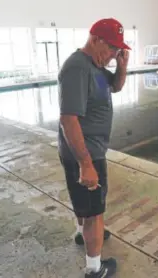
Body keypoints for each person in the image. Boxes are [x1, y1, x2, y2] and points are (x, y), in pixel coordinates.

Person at [57, 18, 130, 277]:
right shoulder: (77, 68)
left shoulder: (97, 66)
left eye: (118, 51)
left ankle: (82, 234)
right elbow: (69, 119)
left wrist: (122, 67)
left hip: (87, 150)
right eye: (112, 49)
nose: (113, 55)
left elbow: (116, 87)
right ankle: (95, 270)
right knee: (95, 213)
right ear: (95, 39)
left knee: (83, 202)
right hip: (86, 152)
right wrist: (86, 163)